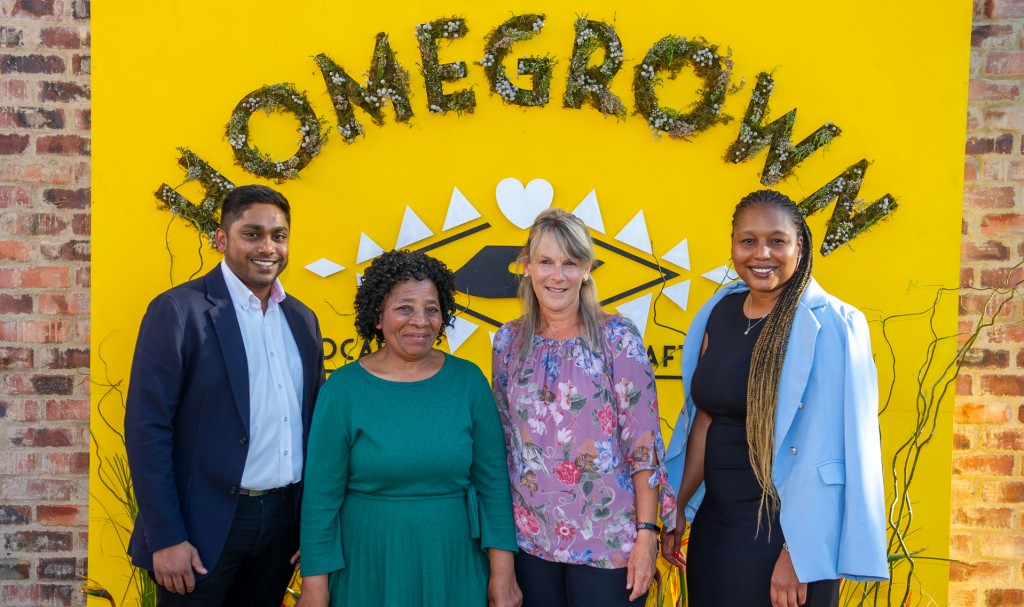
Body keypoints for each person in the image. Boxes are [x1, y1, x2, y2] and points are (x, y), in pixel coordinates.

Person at [661, 190, 889, 607]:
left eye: (777, 240)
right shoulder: (720, 312)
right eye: (747, 240)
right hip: (717, 530)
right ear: (732, 244)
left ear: (799, 246)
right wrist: (676, 506)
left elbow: (844, 447)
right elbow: (706, 418)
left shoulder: (835, 325)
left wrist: (800, 554)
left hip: (785, 538)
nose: (761, 253)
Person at [125, 184, 326, 606]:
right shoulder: (180, 310)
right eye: (252, 234)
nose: (267, 247)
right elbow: (147, 429)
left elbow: (315, 430)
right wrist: (167, 537)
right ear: (221, 238)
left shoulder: (302, 319)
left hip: (281, 526)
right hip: (201, 529)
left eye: (279, 235)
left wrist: (313, 529)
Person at [297, 250, 521, 607]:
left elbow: (493, 485)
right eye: (405, 308)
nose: (420, 321)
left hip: (456, 560)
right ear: (377, 316)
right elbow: (321, 500)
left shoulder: (468, 382)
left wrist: (503, 574)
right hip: (367, 563)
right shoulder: (342, 390)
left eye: (431, 309)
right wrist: (314, 585)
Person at [491, 208, 677, 607]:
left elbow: (644, 445)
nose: (556, 276)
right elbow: (506, 443)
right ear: (527, 266)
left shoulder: (617, 338)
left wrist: (647, 534)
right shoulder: (507, 342)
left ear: (587, 269)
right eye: (545, 262)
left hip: (609, 543)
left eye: (569, 263)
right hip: (531, 540)